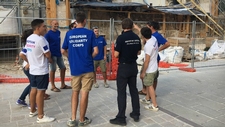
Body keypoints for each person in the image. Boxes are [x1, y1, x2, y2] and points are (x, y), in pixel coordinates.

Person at [61, 11, 98, 127]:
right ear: (85, 21)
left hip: (75, 68)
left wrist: (71, 58)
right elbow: (96, 51)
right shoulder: (90, 33)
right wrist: (88, 58)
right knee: (84, 93)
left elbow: (63, 51)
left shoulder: (69, 34)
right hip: (87, 67)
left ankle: (72, 119)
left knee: (75, 92)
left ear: (76, 21)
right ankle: (82, 120)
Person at [20, 19, 55, 123]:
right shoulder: (41, 40)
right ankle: (41, 116)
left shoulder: (29, 38)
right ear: (38, 28)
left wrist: (30, 62)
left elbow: (22, 53)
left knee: (33, 90)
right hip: (41, 71)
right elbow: (47, 54)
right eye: (44, 26)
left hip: (33, 70)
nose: (45, 28)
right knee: (41, 92)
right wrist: (50, 59)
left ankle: (32, 110)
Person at [109, 18, 141, 126]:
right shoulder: (136, 37)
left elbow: (116, 55)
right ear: (132, 26)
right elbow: (139, 52)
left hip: (124, 67)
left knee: (122, 92)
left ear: (122, 27)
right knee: (134, 90)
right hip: (133, 66)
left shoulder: (121, 38)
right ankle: (136, 113)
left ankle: (121, 117)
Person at [133, 21, 170, 95]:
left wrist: (158, 50)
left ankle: (151, 92)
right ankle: (145, 90)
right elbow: (143, 32)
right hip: (148, 56)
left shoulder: (157, 36)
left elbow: (167, 44)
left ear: (151, 27)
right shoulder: (150, 35)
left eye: (147, 26)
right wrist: (137, 28)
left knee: (152, 76)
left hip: (153, 58)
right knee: (145, 76)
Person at [16, 29, 50, 107]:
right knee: (33, 86)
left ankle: (26, 101)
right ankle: (29, 102)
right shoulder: (35, 42)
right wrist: (29, 62)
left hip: (30, 67)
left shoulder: (31, 43)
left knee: (33, 85)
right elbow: (21, 54)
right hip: (31, 67)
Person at [45, 20, 71, 92]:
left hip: (58, 53)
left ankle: (63, 84)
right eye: (55, 24)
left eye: (57, 24)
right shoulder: (48, 34)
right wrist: (49, 57)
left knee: (63, 68)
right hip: (52, 54)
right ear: (51, 24)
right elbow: (46, 45)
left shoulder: (58, 32)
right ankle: (52, 85)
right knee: (53, 69)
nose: (56, 25)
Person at [140, 27, 159, 111]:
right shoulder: (154, 39)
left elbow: (147, 61)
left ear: (143, 36)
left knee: (149, 85)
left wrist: (143, 72)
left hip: (150, 69)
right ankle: (147, 99)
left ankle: (154, 105)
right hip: (155, 67)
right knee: (150, 83)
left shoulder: (148, 46)